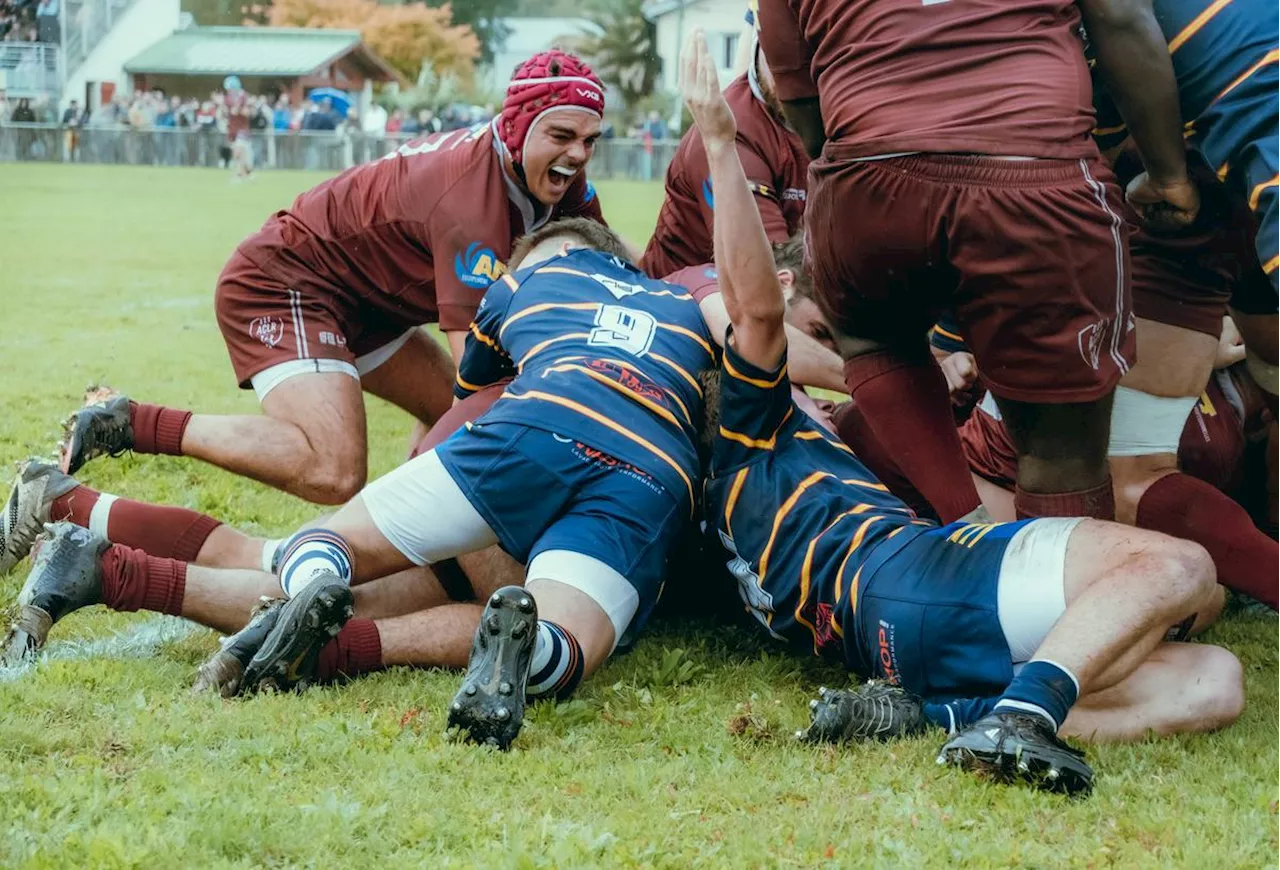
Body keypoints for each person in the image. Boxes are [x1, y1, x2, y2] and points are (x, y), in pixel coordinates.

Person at [683, 30, 1240, 795]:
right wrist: (718, 139)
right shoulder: (749, 435)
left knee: (1213, 679)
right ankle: (1023, 718)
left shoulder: (731, 503)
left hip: (897, 638)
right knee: (1181, 567)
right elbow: (754, 310)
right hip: (909, 581)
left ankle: (938, 717)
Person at [9, 216, 715, 757]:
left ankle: (92, 543)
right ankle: (97, 525)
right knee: (516, 618)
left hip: (498, 440)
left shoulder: (530, 284)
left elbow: (468, 380)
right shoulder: (687, 306)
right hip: (601, 471)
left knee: (292, 559)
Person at [49, 51, 609, 514]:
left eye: (590, 141)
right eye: (562, 135)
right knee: (336, 469)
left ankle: (404, 534)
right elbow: (477, 367)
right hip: (284, 282)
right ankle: (127, 422)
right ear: (516, 129)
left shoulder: (545, 172)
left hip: (362, 303)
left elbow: (608, 265)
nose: (578, 156)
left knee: (458, 418)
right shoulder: (471, 200)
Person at [757, 0, 1199, 525]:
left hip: (869, 174)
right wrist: (1168, 172)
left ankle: (966, 525)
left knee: (872, 337)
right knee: (1063, 456)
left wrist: (855, 183)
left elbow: (801, 96)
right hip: (1031, 172)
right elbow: (1121, 19)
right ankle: (1048, 567)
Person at [641, 32, 809, 280]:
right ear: (758, 41)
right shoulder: (733, 130)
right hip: (684, 304)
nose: (794, 76)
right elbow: (772, 277)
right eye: (782, 54)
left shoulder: (844, 112)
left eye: (812, 57)